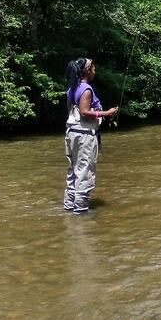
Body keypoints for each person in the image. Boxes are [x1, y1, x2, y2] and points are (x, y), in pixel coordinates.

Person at [63, 58, 118, 214]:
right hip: (84, 135)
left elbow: (73, 112)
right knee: (85, 171)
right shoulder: (86, 89)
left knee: (73, 170)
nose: (95, 71)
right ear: (87, 70)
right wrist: (107, 113)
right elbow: (85, 112)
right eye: (93, 68)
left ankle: (69, 206)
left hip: (72, 133)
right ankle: (80, 210)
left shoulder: (72, 88)